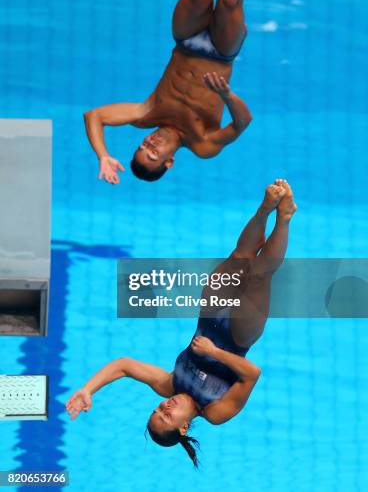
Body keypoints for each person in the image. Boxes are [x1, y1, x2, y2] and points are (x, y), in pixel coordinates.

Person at [66, 180, 297, 466]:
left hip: (209, 314)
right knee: (260, 274)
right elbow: (252, 373)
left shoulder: (168, 384)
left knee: (240, 257)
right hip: (240, 336)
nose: (164, 407)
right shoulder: (215, 412)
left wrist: (88, 389)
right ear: (183, 427)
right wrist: (214, 353)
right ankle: (285, 216)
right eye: (167, 416)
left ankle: (265, 209)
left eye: (156, 411)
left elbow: (124, 365)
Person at [83, 0, 259, 183]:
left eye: (142, 147)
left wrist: (103, 155)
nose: (149, 145)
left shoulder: (146, 113)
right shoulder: (202, 144)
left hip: (187, 41)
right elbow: (242, 123)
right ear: (170, 162)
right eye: (153, 155)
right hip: (221, 54)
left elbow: (94, 115)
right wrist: (226, 95)